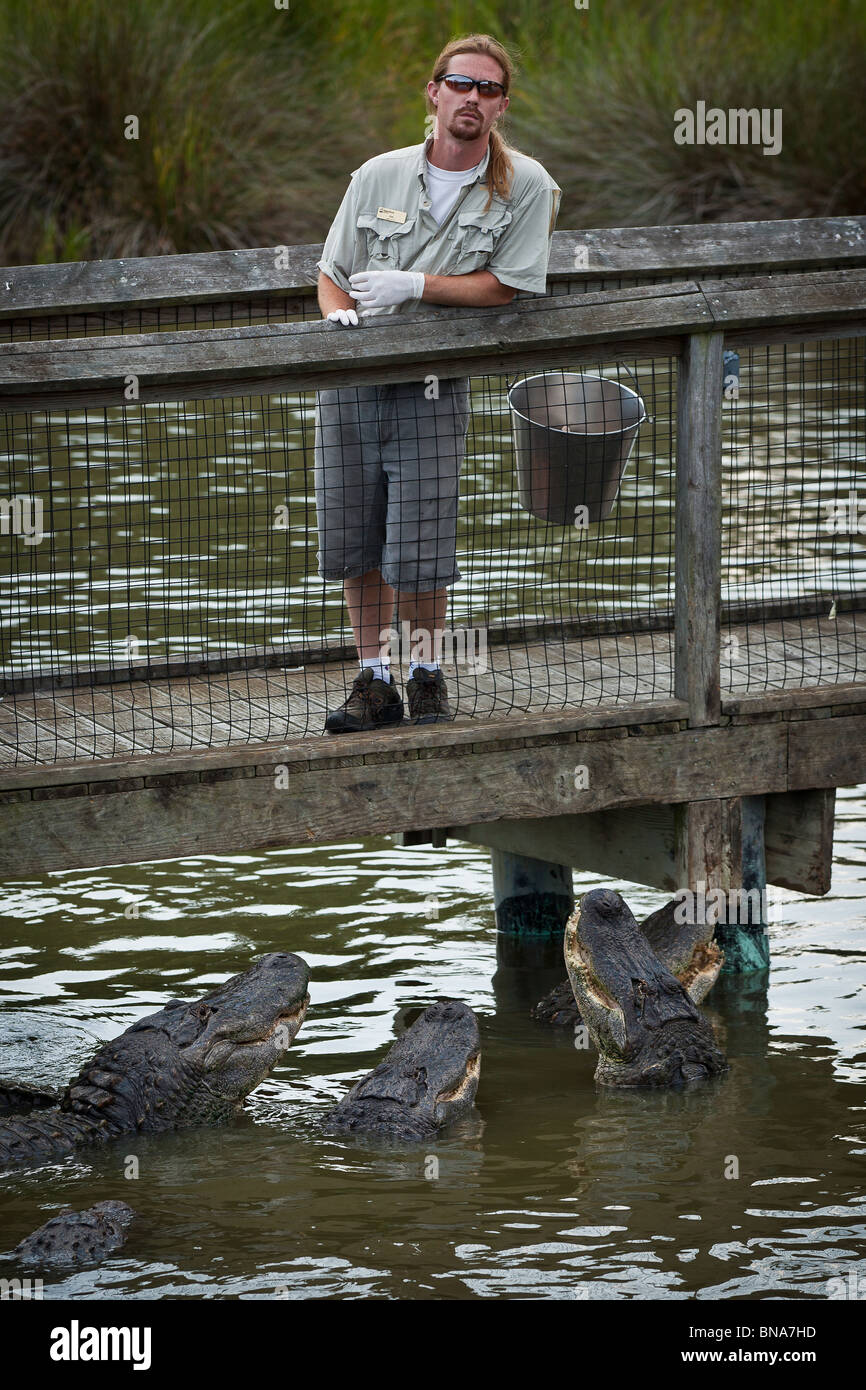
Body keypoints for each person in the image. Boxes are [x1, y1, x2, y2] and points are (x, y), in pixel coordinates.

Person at [314, 32, 561, 733]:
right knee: (355, 542)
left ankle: (426, 675)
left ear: (501, 106)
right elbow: (331, 274)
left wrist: (415, 283)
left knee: (421, 548)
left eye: (487, 90)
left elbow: (506, 289)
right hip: (352, 385)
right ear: (434, 91)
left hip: (433, 386)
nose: (472, 99)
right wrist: (340, 323)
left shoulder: (527, 187)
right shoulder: (377, 175)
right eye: (460, 84)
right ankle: (375, 679)